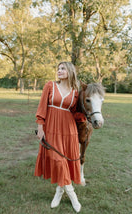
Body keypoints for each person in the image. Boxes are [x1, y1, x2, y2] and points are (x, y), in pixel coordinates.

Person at [35, 62, 82, 212]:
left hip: (69, 130)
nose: (59, 71)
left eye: (63, 68)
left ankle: (59, 191)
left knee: (65, 161)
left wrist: (85, 117)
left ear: (70, 71)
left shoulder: (75, 91)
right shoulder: (50, 86)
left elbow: (74, 112)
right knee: (58, 160)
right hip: (52, 128)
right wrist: (40, 126)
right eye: (58, 69)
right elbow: (42, 107)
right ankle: (72, 195)